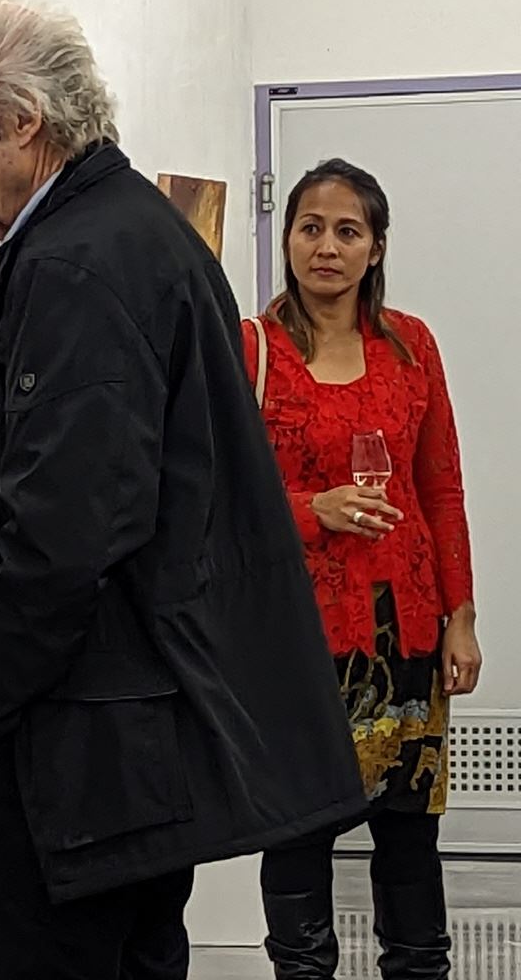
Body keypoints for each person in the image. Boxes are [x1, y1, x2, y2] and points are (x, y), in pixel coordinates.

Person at [0, 0, 368, 979]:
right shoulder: (127, 229)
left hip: (85, 748)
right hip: (127, 740)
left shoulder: (77, 266)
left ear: (24, 122)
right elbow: (127, 476)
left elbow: (72, 538)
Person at [248, 159, 478, 980]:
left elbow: (440, 486)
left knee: (410, 835)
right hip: (299, 640)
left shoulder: (411, 345)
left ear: (376, 248)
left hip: (406, 630)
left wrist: (461, 616)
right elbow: (220, 495)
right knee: (298, 831)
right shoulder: (253, 350)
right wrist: (315, 509)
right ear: (287, 238)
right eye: (310, 228)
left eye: (348, 231)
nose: (327, 247)